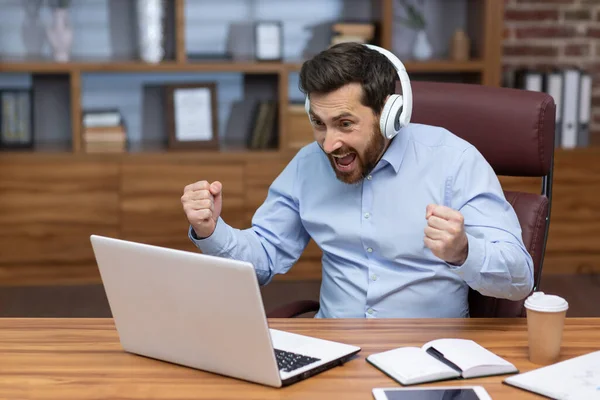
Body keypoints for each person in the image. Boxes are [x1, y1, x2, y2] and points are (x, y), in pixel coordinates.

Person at [181, 42, 534, 318]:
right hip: (335, 351)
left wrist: (464, 251)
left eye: (345, 124)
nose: (330, 143)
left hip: (425, 356)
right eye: (319, 123)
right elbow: (264, 258)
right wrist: (212, 230)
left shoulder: (454, 161)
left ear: (390, 115)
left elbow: (520, 278)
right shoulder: (308, 165)